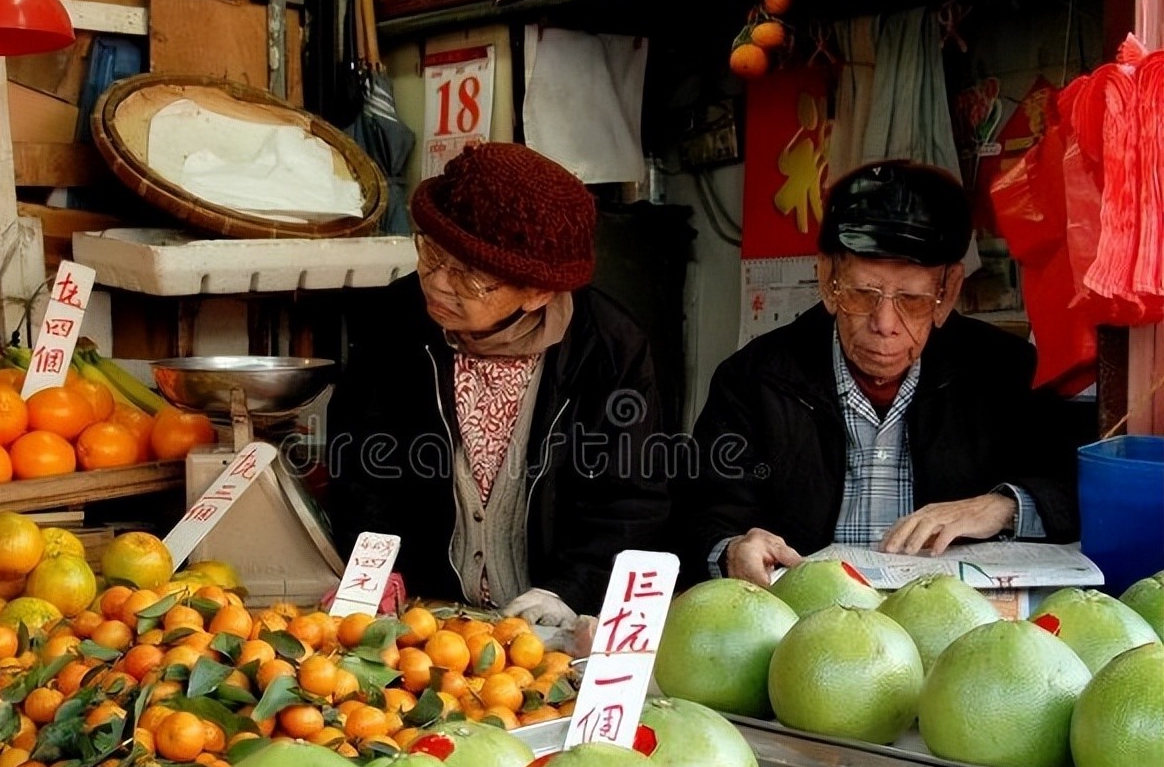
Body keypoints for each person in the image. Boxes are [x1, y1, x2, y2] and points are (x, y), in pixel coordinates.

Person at [679, 159, 1078, 586]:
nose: (884, 323)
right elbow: (697, 517)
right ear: (828, 279)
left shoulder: (1006, 372)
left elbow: (1076, 490)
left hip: (951, 614)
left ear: (947, 292)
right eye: (862, 294)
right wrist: (732, 550)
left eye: (913, 299)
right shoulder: (754, 379)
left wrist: (1002, 506)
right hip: (808, 614)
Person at [328, 142, 670, 626]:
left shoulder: (611, 349)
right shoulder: (393, 321)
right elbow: (361, 470)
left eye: (469, 277)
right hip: (424, 619)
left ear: (538, 292)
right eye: (432, 253)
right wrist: (380, 572)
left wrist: (567, 592)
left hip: (552, 624)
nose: (438, 282)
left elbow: (630, 500)